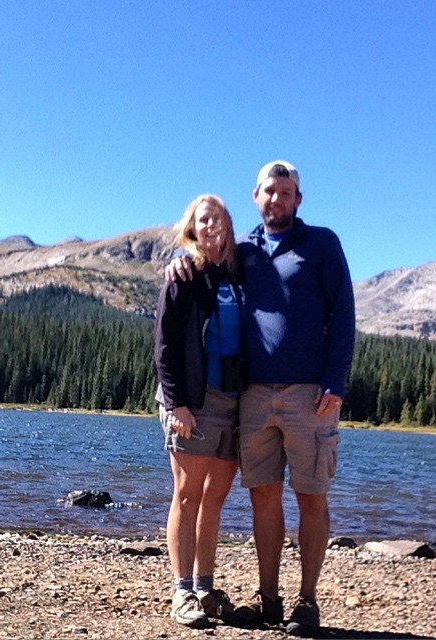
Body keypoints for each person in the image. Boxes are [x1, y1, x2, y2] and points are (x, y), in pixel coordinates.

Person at [166, 161, 356, 636]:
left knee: (311, 496)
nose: (278, 199)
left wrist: (335, 380)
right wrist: (178, 258)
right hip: (250, 396)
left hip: (309, 394)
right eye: (270, 191)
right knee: (263, 497)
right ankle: (269, 600)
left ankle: (307, 602)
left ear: (298, 199)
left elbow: (344, 312)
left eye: (287, 191)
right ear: (256, 196)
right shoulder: (243, 249)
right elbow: (199, 269)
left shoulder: (322, 244)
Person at [154, 194, 245, 629]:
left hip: (235, 401)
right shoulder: (184, 274)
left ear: (229, 224)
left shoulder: (238, 272)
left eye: (219, 218)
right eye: (203, 219)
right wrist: (177, 405)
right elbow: (165, 345)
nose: (212, 225)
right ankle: (181, 591)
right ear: (192, 228)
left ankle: (206, 587)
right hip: (194, 398)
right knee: (188, 495)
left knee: (216, 497)